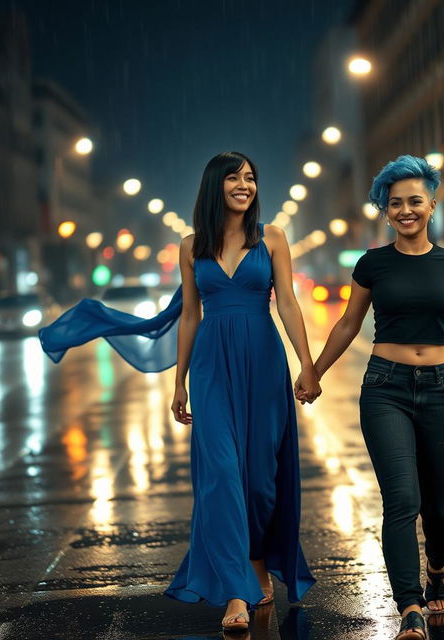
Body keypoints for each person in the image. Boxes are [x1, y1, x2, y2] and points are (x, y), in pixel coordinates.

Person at [39, 151, 320, 634]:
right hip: (212, 367)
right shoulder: (191, 246)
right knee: (222, 478)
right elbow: (190, 316)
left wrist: (308, 364)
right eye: (234, 178)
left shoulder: (272, 238)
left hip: (264, 362)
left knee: (259, 479)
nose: (244, 185)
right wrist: (179, 381)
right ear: (215, 186)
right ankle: (235, 591)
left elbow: (289, 304)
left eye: (250, 178)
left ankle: (256, 560)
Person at [296, 155, 444, 640]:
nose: (405, 210)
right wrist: (314, 371)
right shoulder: (373, 264)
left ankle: (439, 569)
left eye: (414, 201)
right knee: (401, 500)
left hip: (443, 388)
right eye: (395, 204)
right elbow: (348, 323)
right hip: (385, 388)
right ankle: (410, 608)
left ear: (431, 204)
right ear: (385, 212)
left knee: (440, 510)